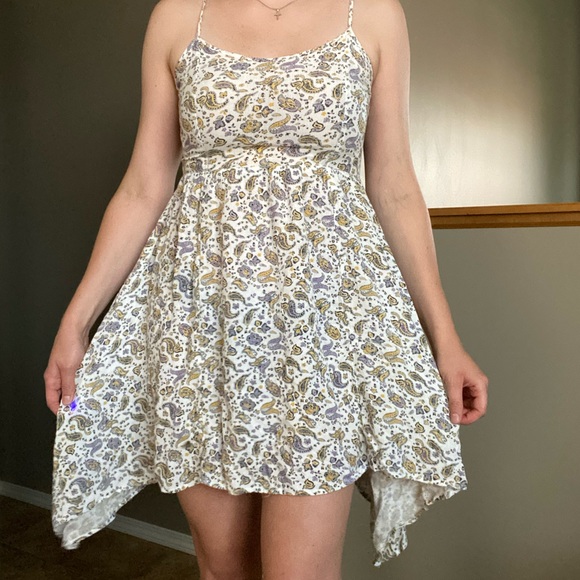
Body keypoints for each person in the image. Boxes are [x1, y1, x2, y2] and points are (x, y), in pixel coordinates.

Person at [45, 0, 488, 577]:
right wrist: (75, 323)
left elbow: (394, 183)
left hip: (322, 334)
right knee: (224, 566)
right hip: (198, 326)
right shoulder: (178, 15)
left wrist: (445, 340)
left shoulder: (374, 13)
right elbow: (143, 186)